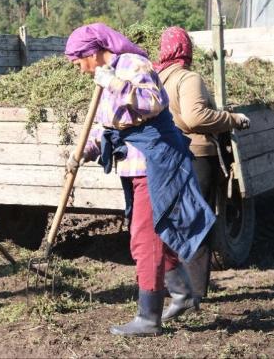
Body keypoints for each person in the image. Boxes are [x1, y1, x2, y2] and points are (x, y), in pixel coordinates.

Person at [64, 23, 216, 336]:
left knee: (145, 237)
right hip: (132, 165)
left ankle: (149, 317)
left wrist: (115, 83)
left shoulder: (134, 65)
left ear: (91, 52)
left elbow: (153, 101)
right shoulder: (105, 75)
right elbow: (111, 124)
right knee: (148, 232)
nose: (77, 68)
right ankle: (184, 294)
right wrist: (85, 151)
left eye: (77, 61)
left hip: (155, 161)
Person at [153, 26, 250, 319]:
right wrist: (232, 118)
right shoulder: (187, 77)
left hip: (168, 157)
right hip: (196, 155)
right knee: (199, 222)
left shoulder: (157, 77)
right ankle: (195, 291)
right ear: (186, 50)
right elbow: (197, 117)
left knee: (176, 222)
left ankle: (176, 287)